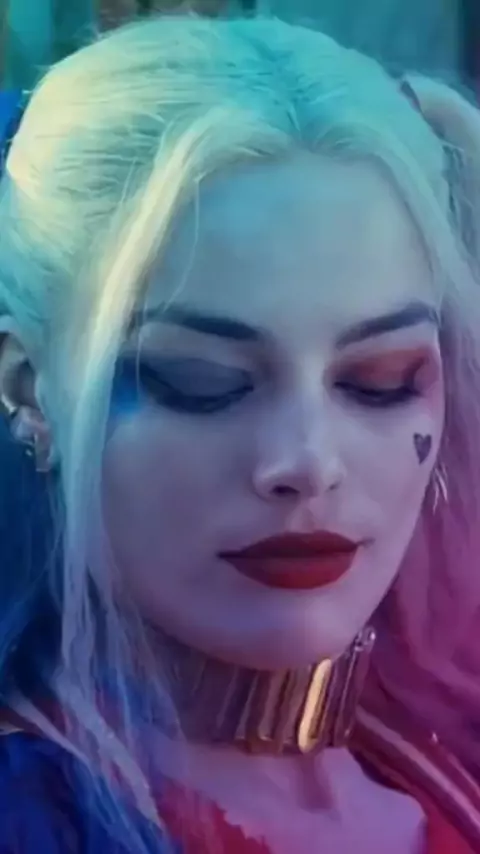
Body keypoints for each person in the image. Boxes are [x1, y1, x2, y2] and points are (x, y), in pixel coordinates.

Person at [0, 13, 480, 854]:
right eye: (202, 381)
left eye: (381, 379)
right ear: (31, 389)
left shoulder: (439, 760)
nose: (307, 462)